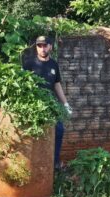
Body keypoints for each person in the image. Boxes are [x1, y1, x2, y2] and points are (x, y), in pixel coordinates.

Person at [23, 36, 72, 170]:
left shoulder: (53, 64)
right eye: (39, 46)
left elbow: (57, 85)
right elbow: (22, 85)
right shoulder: (29, 64)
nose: (42, 48)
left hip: (51, 104)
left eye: (45, 45)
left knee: (59, 130)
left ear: (50, 46)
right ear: (36, 47)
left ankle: (54, 163)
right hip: (34, 105)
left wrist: (65, 104)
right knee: (34, 133)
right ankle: (32, 165)